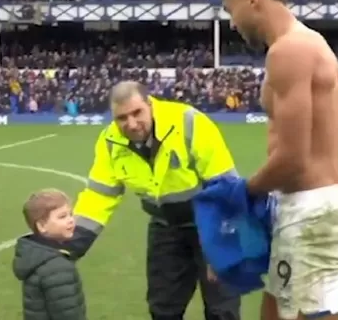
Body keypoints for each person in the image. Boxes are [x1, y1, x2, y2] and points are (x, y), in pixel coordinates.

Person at [210, 0, 338, 319]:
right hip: (307, 206)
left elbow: (294, 158)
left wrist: (241, 195)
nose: (232, 22)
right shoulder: (307, 43)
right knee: (273, 311)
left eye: (231, 9)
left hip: (311, 209)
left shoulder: (289, 51)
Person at [68, 81, 241, 320]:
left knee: (222, 310)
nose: (131, 124)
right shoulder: (110, 142)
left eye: (137, 112)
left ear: (150, 105)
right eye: (121, 118)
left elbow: (225, 187)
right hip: (165, 226)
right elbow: (99, 196)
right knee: (163, 308)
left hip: (211, 225)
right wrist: (69, 247)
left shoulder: (189, 122)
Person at [12, 188, 87, 320]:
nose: (71, 220)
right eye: (62, 216)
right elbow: (69, 313)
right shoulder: (58, 267)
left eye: (71, 214)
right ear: (41, 226)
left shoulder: (35, 256)